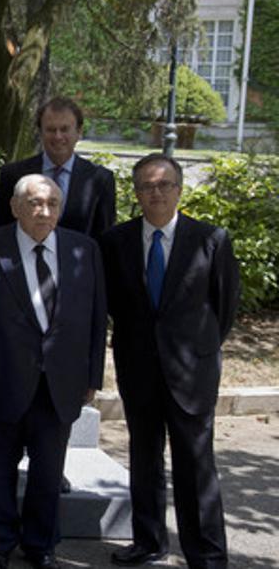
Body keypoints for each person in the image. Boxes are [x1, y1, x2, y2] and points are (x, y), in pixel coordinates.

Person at [0, 174, 106, 569]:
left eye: (52, 204)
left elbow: (96, 318)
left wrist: (94, 376)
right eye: (35, 203)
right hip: (2, 379)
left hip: (60, 382)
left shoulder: (84, 250)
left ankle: (41, 544)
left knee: (48, 472)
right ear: (15, 207)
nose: (44, 211)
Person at [101, 154, 239, 569]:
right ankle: (148, 541)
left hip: (191, 372)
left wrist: (199, 351)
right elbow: (113, 304)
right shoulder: (115, 241)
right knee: (144, 459)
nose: (155, 192)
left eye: (164, 184)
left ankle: (207, 553)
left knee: (196, 465)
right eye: (146, 186)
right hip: (139, 368)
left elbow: (225, 306)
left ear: (179, 189)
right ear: (137, 193)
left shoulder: (211, 239)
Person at [0, 97, 114, 238]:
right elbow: (0, 230)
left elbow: (104, 237)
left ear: (79, 131)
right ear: (40, 132)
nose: (58, 136)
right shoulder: (13, 175)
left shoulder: (99, 179)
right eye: (50, 129)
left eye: (64, 129)